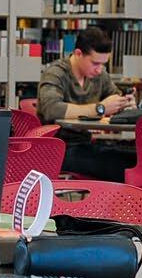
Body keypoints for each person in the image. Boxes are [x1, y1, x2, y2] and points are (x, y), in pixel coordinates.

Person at [39, 25, 135, 179]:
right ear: (78, 53)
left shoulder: (99, 75)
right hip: (59, 149)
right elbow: (52, 109)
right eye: (95, 63)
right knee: (124, 164)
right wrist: (100, 109)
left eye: (103, 64)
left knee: (137, 157)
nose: (99, 69)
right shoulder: (55, 73)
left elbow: (114, 96)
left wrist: (125, 103)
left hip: (86, 143)